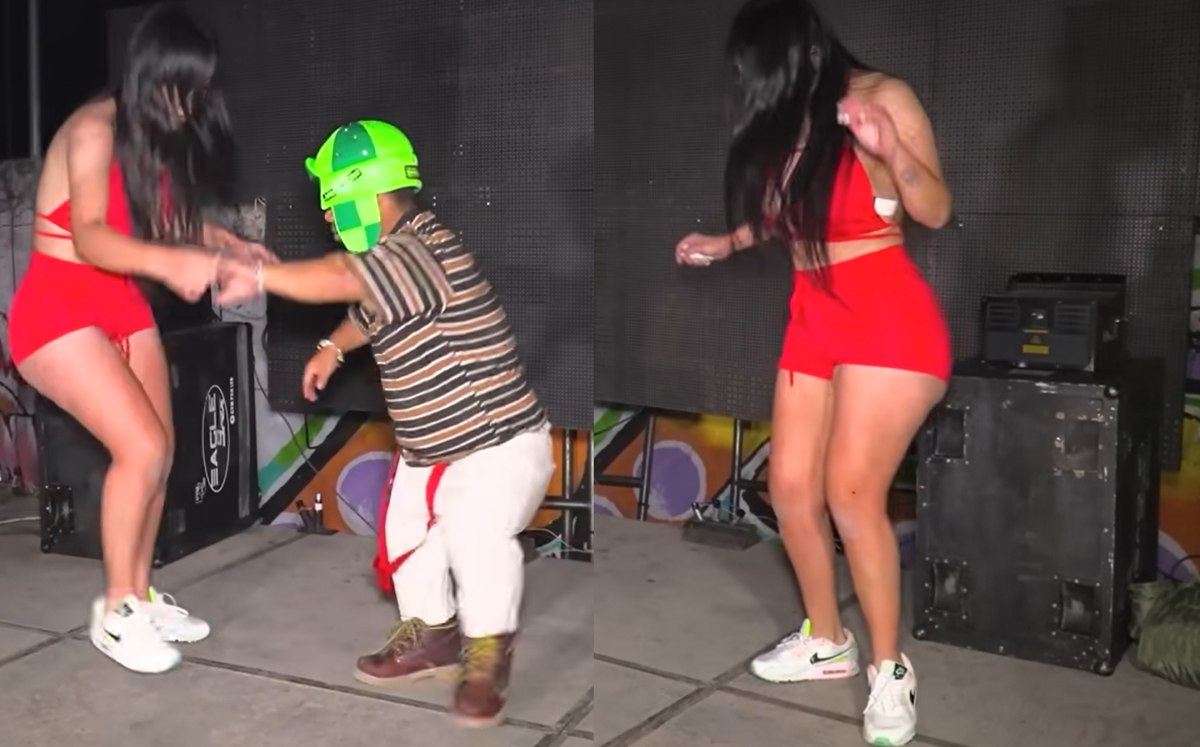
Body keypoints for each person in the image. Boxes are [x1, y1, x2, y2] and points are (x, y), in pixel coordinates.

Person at [674, 2, 952, 745]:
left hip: (886, 317)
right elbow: (788, 214)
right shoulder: (796, 120)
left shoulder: (881, 97)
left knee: (851, 492)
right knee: (790, 487)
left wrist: (891, 148)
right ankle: (827, 641)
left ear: (798, 53)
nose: (751, 85)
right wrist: (728, 241)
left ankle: (890, 671)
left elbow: (932, 206)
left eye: (758, 69)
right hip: (815, 313)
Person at [216, 120, 554, 727]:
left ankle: (487, 656)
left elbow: (344, 278)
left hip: (497, 446)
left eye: (332, 203)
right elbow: (368, 309)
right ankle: (435, 637)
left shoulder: (419, 250)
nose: (328, 218)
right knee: (405, 536)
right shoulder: (397, 259)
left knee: (475, 534)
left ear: (362, 193)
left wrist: (260, 276)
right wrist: (333, 348)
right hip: (435, 451)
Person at [7, 4, 268, 675]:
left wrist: (224, 242)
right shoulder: (94, 129)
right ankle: (116, 613)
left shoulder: (151, 139)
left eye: (198, 90)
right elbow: (93, 236)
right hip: (58, 310)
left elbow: (166, 217)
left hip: (119, 304)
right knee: (140, 446)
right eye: (181, 88)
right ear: (151, 75)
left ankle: (142, 594)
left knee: (162, 453)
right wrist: (171, 263)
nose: (190, 104)